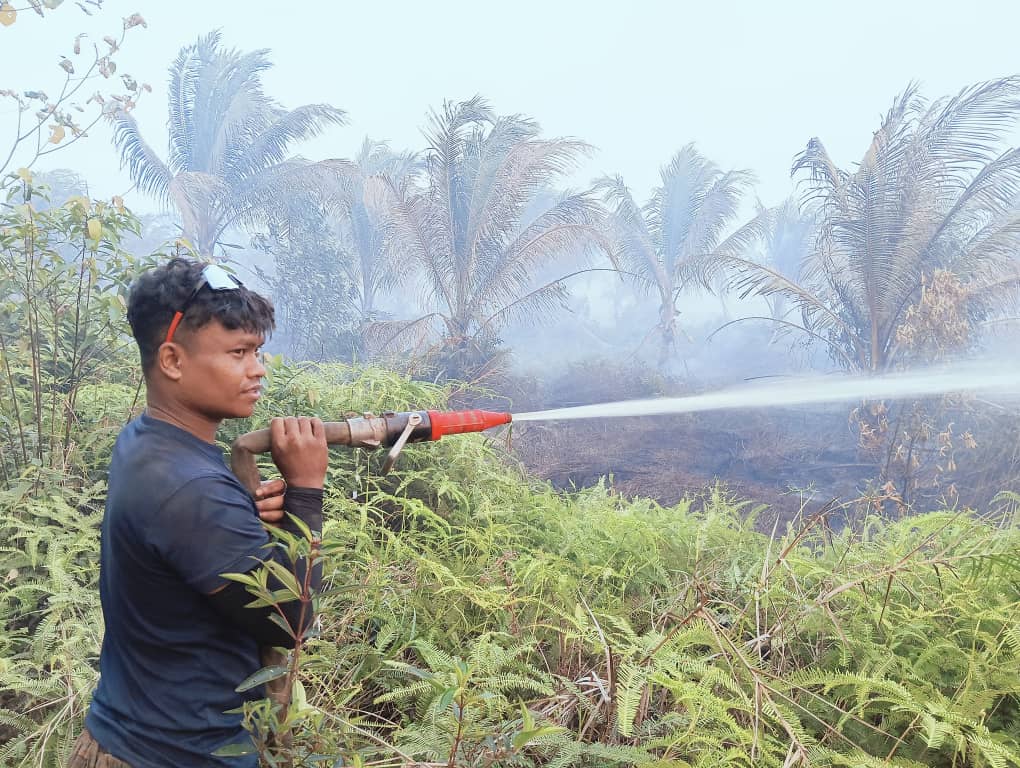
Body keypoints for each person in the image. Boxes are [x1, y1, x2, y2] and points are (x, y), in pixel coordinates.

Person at [69, 257, 328, 767]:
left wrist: (246, 517)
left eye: (257, 350)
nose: (257, 369)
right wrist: (305, 489)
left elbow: (192, 549)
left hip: (133, 738)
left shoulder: (149, 442)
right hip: (172, 754)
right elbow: (290, 621)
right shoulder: (187, 485)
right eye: (237, 352)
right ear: (172, 360)